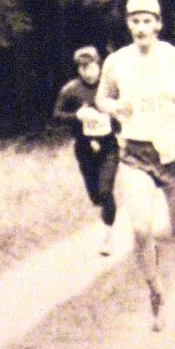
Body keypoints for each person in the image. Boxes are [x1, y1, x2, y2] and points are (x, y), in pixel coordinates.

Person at [96, 0, 175, 334]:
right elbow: (103, 97)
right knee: (140, 229)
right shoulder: (116, 62)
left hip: (174, 153)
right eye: (135, 21)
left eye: (148, 21)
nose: (141, 27)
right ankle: (155, 292)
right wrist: (113, 108)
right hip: (135, 152)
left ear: (158, 24)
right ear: (128, 25)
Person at [53, 45, 120, 255]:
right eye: (82, 68)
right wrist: (76, 116)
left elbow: (126, 109)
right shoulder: (71, 90)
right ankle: (104, 212)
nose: (87, 71)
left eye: (90, 66)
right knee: (96, 197)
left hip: (109, 147)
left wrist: (115, 120)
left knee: (105, 191)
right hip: (84, 149)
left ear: (99, 65)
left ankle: (107, 237)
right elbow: (56, 115)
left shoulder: (110, 87)